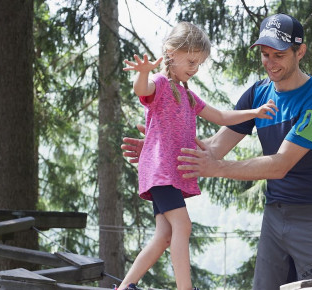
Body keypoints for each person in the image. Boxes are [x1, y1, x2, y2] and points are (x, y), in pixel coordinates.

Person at [122, 14, 312, 290]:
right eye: (265, 54)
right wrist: (160, 149)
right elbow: (215, 147)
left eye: (279, 55)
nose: (270, 63)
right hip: (273, 216)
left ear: (300, 52)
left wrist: (218, 168)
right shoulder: (258, 94)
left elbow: (281, 165)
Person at [117, 22, 277, 290]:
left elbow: (221, 116)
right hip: (160, 171)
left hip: (169, 172)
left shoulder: (188, 95)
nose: (194, 68)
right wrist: (143, 73)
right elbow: (142, 90)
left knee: (164, 235)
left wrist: (254, 112)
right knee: (183, 225)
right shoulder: (160, 84)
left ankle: (124, 287)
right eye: (191, 61)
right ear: (171, 53)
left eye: (199, 64)